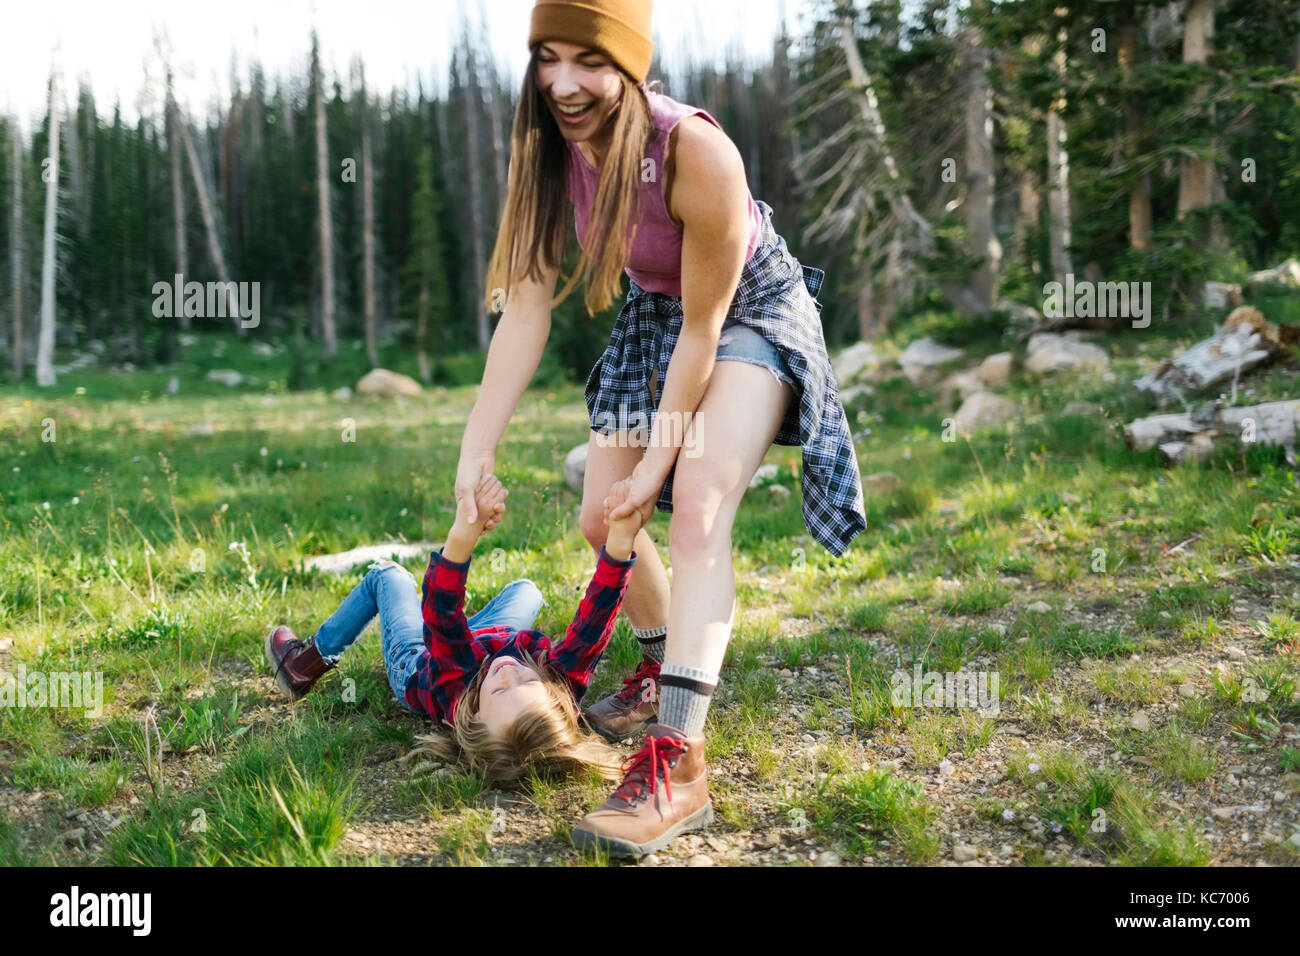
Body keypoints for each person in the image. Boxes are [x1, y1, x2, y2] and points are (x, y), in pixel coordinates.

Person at [457, 0, 866, 855]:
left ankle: (678, 761)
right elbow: (527, 306)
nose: (563, 84)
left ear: (632, 66)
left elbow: (706, 330)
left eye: (590, 62)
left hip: (745, 310)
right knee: (601, 516)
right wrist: (476, 448)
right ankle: (658, 663)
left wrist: (665, 461)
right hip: (657, 314)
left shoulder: (696, 151)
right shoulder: (543, 149)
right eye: (547, 58)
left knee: (700, 505)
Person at [265, 473, 647, 785]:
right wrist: (619, 540)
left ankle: (306, 661)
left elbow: (442, 613)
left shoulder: (458, 684)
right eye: (530, 683)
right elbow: (595, 622)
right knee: (527, 591)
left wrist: (467, 530)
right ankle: (474, 640)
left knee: (388, 575)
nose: (511, 673)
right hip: (483, 645)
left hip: (419, 660)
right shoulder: (557, 685)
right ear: (557, 696)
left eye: (499, 689)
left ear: (474, 716)